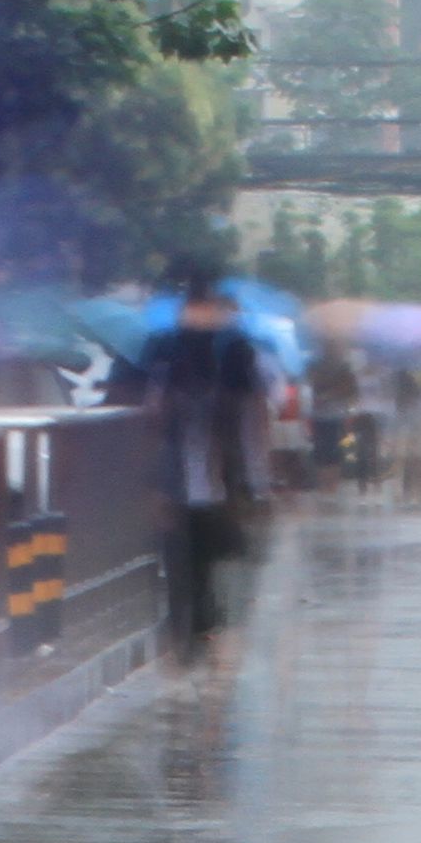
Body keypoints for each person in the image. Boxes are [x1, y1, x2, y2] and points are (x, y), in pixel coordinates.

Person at [152, 266, 268, 665]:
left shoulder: (233, 356)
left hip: (214, 486)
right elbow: (155, 423)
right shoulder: (168, 355)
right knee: (188, 570)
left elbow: (250, 419)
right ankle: (192, 643)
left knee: (207, 567)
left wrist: (255, 481)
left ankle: (200, 640)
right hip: (187, 486)